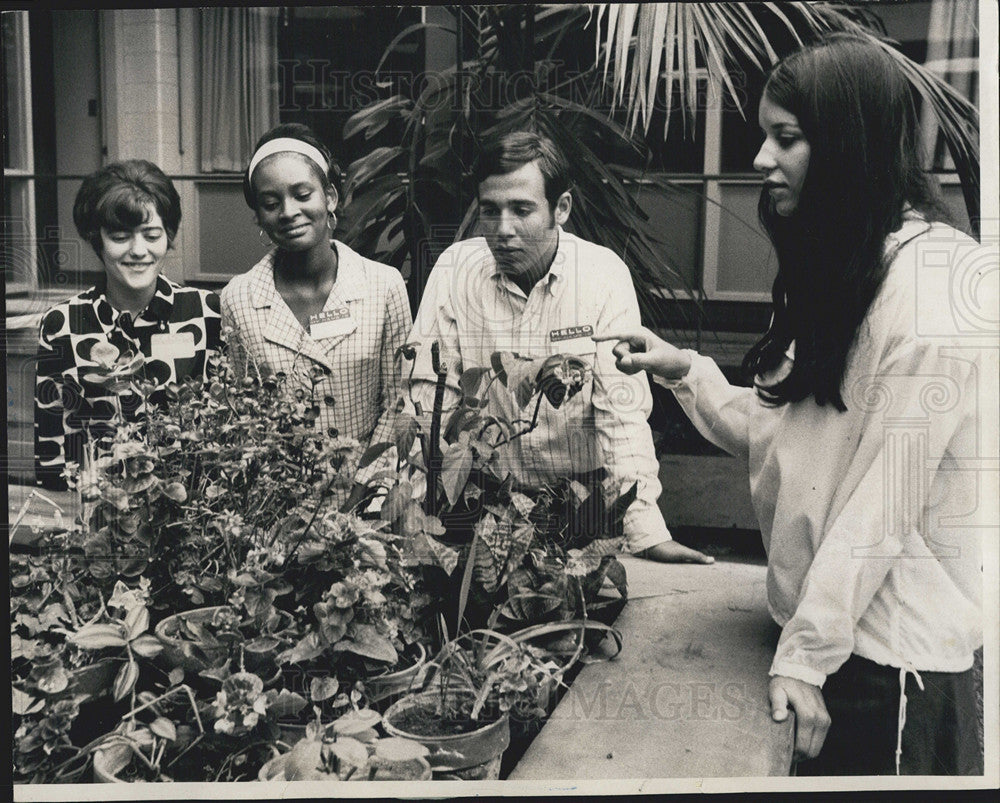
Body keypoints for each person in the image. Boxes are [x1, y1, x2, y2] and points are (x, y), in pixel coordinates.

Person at [597, 34, 988, 775]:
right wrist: (687, 373)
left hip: (888, 667)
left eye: (787, 138)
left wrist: (806, 657)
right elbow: (795, 437)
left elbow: (883, 500)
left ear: (851, 146)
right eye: (762, 136)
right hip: (826, 643)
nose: (759, 160)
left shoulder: (935, 290)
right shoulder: (854, 260)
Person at [405, 130, 713, 564]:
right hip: (484, 508)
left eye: (522, 210)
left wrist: (645, 531)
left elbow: (620, 413)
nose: (503, 230)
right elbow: (428, 403)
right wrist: (412, 515)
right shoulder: (455, 271)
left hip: (582, 507)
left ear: (561, 208)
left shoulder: (603, 276)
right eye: (489, 211)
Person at [220, 123, 410, 507]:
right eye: (271, 204)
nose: (289, 212)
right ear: (258, 217)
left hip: (372, 496)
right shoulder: (239, 298)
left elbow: (399, 403)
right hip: (279, 503)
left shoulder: (383, 285)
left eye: (302, 194)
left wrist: (365, 489)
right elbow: (243, 416)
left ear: (330, 197)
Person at [35, 160, 222, 491]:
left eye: (152, 235)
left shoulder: (206, 311)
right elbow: (51, 455)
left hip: (190, 518)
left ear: (168, 237)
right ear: (98, 241)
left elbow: (221, 436)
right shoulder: (62, 324)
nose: (139, 251)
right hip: (101, 516)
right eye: (120, 237)